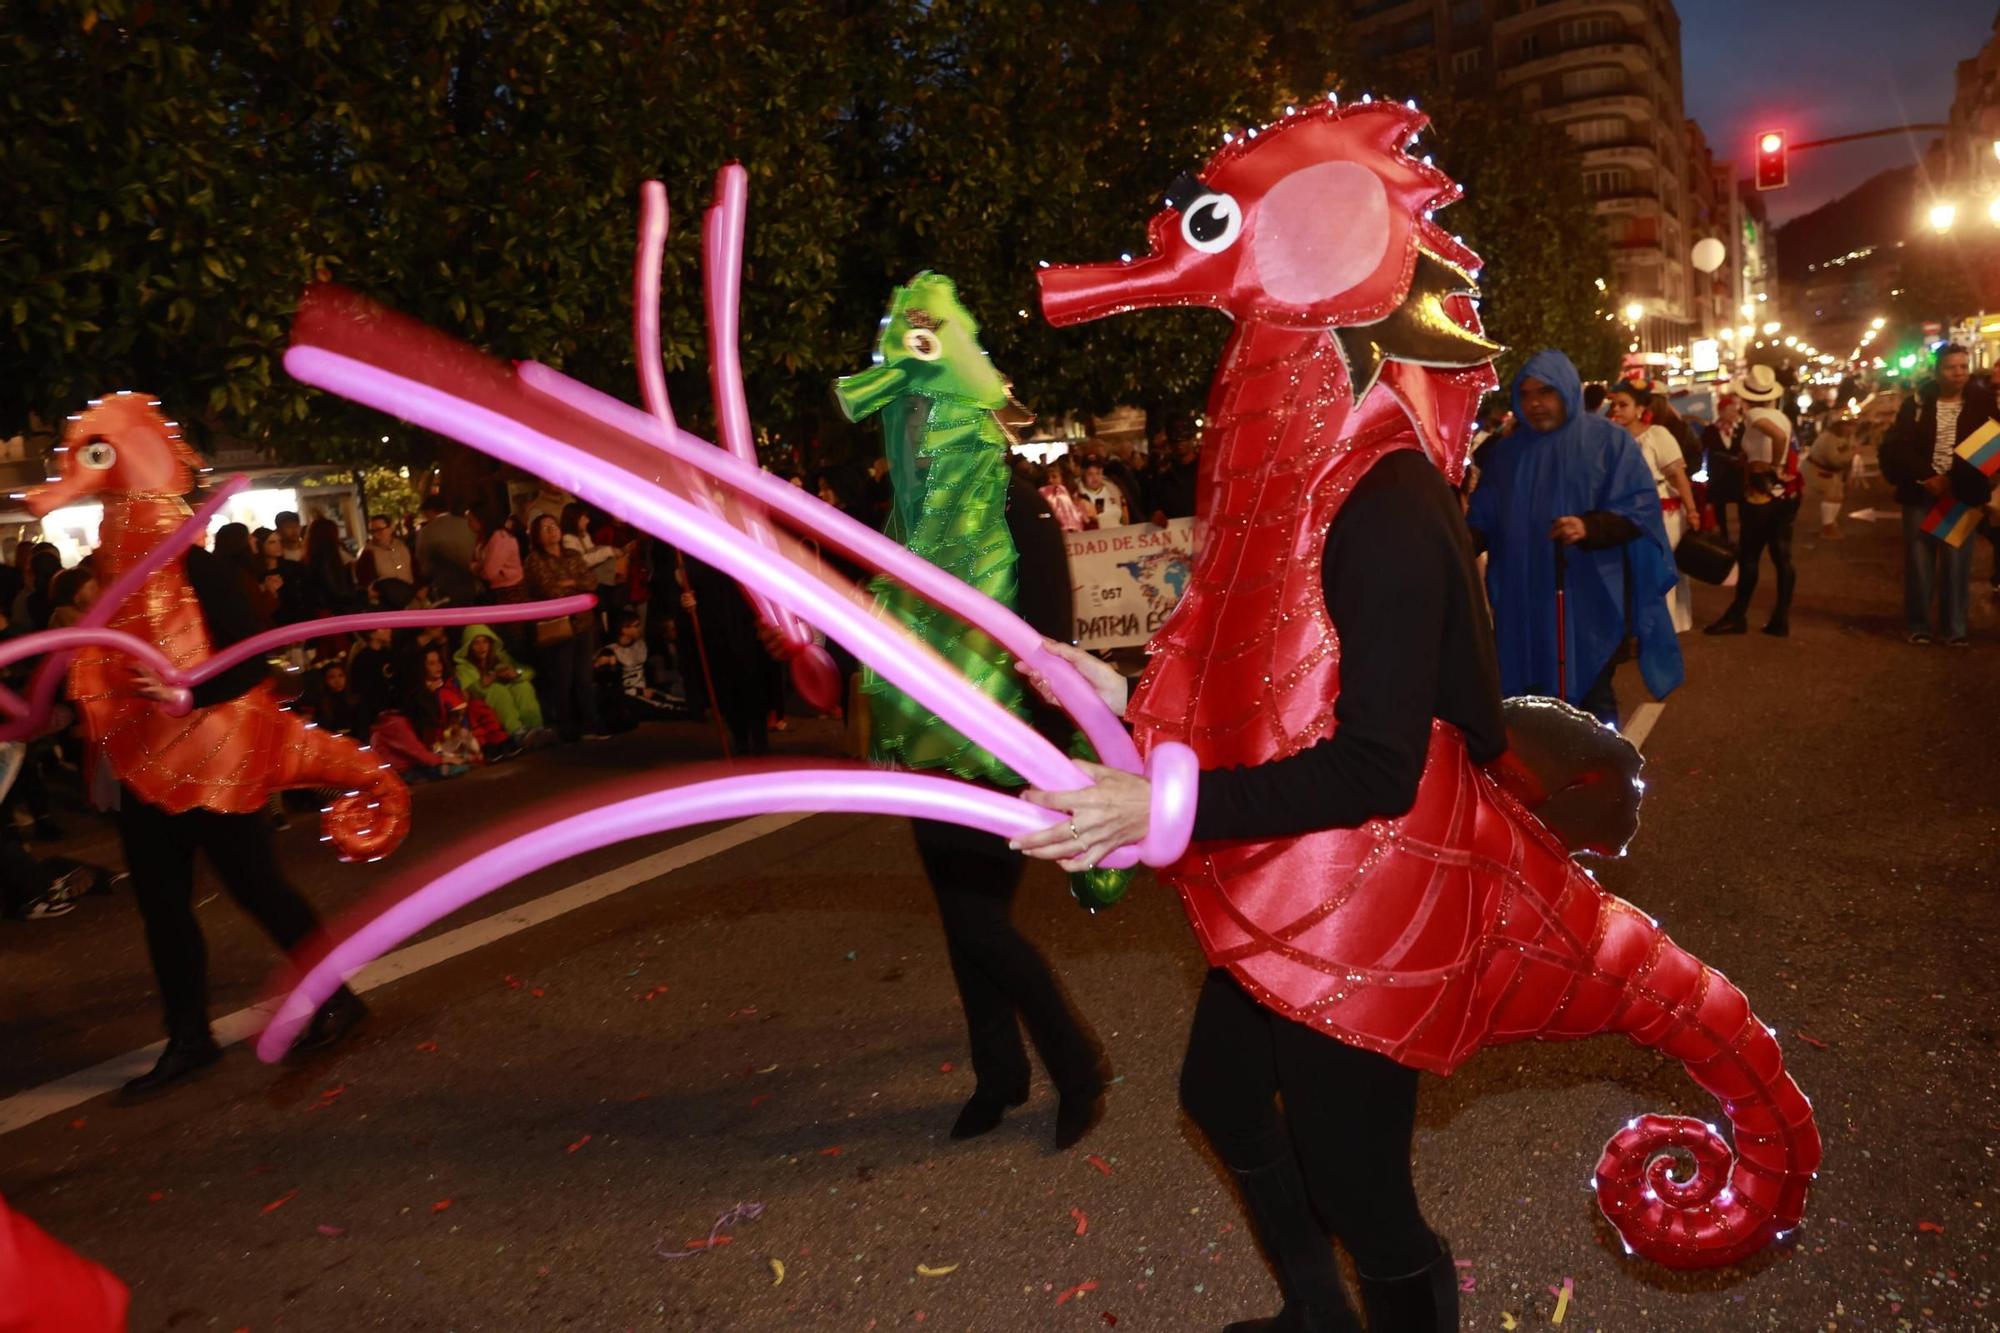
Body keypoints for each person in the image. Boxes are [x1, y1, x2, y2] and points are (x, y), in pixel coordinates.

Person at [1464, 350, 1683, 725]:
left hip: (1589, 596)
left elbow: (1640, 512)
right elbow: (1483, 521)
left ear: (1566, 389)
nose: (1535, 403)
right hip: (1524, 600)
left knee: (1593, 700)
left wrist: (1590, 527)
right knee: (1528, 703)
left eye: (1546, 392)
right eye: (1527, 393)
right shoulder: (1507, 455)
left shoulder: (1609, 442)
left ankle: (1604, 779)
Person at [1878, 343, 1996, 646]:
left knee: (1957, 563)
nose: (1958, 373)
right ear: (1936, 371)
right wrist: (1927, 476)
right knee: (1920, 561)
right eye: (1950, 367)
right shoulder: (1917, 403)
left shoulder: (1982, 402)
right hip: (1921, 492)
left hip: (1960, 492)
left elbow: (1992, 444)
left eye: (1962, 366)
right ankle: (1919, 625)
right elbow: (1900, 446)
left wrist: (1953, 479)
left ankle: (1954, 630)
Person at [1704, 364, 1801, 637]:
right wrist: (1779, 466)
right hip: (1783, 493)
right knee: (1782, 556)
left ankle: (1738, 615)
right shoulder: (1781, 416)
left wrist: (1771, 464)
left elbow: (1777, 438)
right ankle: (1780, 617)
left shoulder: (1755, 414)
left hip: (1760, 491)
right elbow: (1782, 437)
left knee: (1749, 557)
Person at [1606, 382, 1699, 634]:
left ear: (1640, 409)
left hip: (1663, 514)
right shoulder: (1612, 438)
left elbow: (1678, 476)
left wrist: (1692, 510)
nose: (1617, 409)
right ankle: (1640, 626)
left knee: (1662, 567)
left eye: (1623, 405)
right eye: (1614, 404)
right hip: (1627, 516)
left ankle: (1664, 626)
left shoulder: (1657, 435)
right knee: (1635, 571)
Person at [522, 512, 608, 741]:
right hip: (558, 625)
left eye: (554, 525)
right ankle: (567, 729)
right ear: (537, 536)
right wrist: (575, 587)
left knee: (584, 676)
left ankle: (590, 725)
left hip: (583, 623)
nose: (552, 530)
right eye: (545, 528)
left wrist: (570, 582)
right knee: (562, 678)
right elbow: (549, 590)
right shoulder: (534, 561)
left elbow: (591, 582)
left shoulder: (571, 554)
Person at [454, 623, 548, 741]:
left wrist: (516, 674)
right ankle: (517, 732)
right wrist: (494, 677)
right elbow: (475, 689)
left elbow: (528, 671)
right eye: (476, 643)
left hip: (508, 696)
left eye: (485, 641)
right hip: (485, 706)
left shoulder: (500, 657)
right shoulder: (463, 668)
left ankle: (535, 728)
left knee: (523, 686)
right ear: (468, 646)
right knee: (498, 691)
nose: (482, 647)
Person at [593, 609, 684, 728]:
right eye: (636, 626)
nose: (639, 629)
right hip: (628, 697)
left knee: (676, 701)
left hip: (644, 691)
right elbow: (613, 689)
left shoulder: (640, 644)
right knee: (669, 709)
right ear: (624, 629)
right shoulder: (610, 651)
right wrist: (639, 692)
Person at [415, 495, 479, 608]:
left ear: (430, 511)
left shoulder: (426, 532)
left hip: (444, 586)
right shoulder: (467, 524)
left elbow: (423, 562)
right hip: (472, 580)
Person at [1700, 395, 1744, 543]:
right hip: (1718, 475)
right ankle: (1724, 536)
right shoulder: (1711, 430)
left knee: (1742, 503)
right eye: (1730, 410)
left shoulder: (1740, 429)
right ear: (1721, 412)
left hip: (1737, 474)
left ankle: (1743, 536)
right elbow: (1703, 449)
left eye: (1735, 410)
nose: (1734, 413)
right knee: (1719, 506)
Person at [354, 512, 415, 591]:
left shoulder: (402, 546)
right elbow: (365, 583)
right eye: (372, 531)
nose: (375, 535)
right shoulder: (368, 552)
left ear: (390, 529)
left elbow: (415, 569)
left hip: (410, 596)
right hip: (387, 600)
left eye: (379, 530)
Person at [1074, 451, 1130, 527]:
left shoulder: (1113, 489)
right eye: (1090, 474)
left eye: (1098, 473)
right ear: (1083, 474)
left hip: (1118, 535)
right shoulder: (1077, 494)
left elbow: (1125, 517)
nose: (1094, 478)